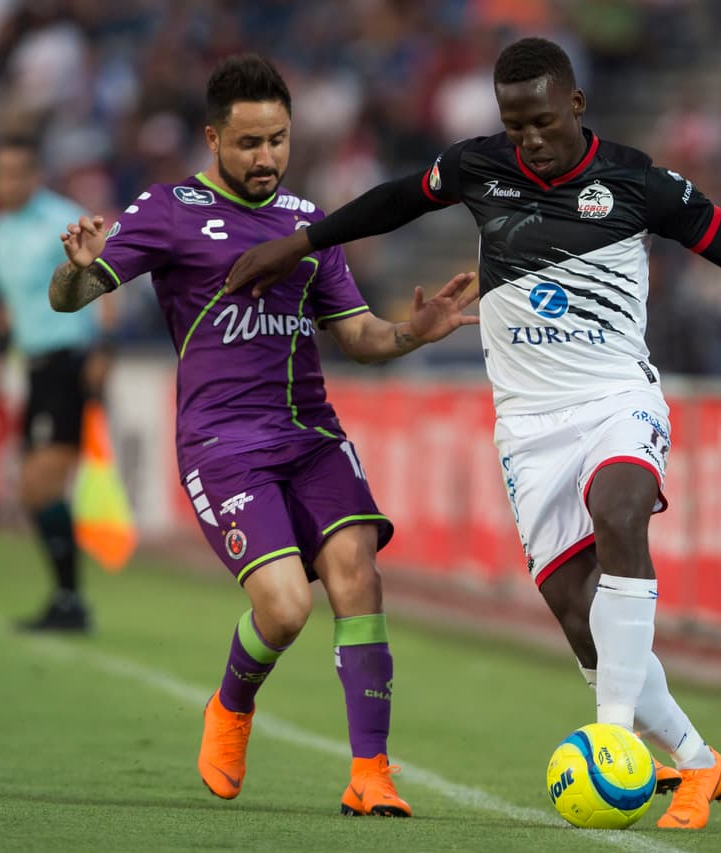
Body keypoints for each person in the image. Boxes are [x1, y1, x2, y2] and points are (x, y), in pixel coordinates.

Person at [225, 37, 721, 831]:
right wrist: (298, 243)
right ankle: (696, 761)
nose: (529, 139)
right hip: (529, 428)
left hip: (616, 398)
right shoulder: (480, 167)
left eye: (542, 121)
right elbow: (397, 200)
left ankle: (613, 739)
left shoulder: (636, 183)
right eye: (515, 126)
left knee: (620, 514)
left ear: (576, 106)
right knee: (581, 619)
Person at [47, 54, 478, 817]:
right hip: (222, 443)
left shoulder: (309, 225)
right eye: (249, 143)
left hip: (310, 434)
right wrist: (77, 270)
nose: (266, 157)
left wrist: (418, 329)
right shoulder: (171, 208)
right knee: (283, 609)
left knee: (357, 574)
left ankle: (371, 773)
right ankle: (231, 707)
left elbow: (362, 338)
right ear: (213, 138)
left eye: (277, 139)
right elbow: (70, 298)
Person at [0, 137, 115, 632]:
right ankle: (67, 599)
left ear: (35, 175)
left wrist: (105, 348)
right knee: (32, 489)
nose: (8, 182)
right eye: (1, 173)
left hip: (71, 362)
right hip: (34, 366)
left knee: (42, 481)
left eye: (18, 172)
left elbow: (107, 283)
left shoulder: (64, 218)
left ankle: (71, 601)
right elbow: (10, 300)